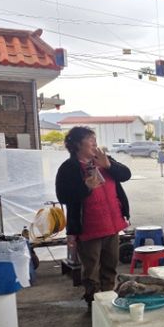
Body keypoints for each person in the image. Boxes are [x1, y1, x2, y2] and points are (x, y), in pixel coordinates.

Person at [55, 126, 131, 308]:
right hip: (89, 228)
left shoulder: (103, 160)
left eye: (94, 138)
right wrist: (86, 187)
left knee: (110, 266)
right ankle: (94, 304)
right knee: (91, 270)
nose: (94, 142)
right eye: (90, 139)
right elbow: (63, 196)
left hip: (112, 224)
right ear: (77, 144)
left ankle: (109, 300)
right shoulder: (69, 168)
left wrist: (108, 165)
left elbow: (126, 175)